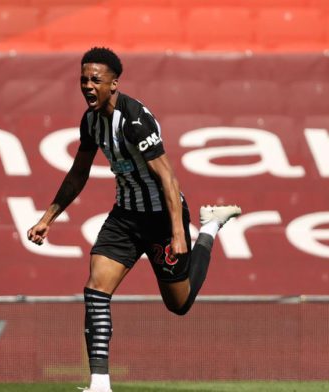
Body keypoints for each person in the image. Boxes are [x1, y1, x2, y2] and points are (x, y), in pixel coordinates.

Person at [27, 47, 241, 392]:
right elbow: (79, 172)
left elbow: (168, 179)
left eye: (95, 79)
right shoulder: (91, 120)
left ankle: (210, 227)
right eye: (83, 79)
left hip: (160, 217)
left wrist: (178, 233)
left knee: (180, 304)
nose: (87, 86)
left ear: (114, 83)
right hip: (125, 216)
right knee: (96, 289)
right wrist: (48, 217)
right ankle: (99, 384)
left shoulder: (136, 121)